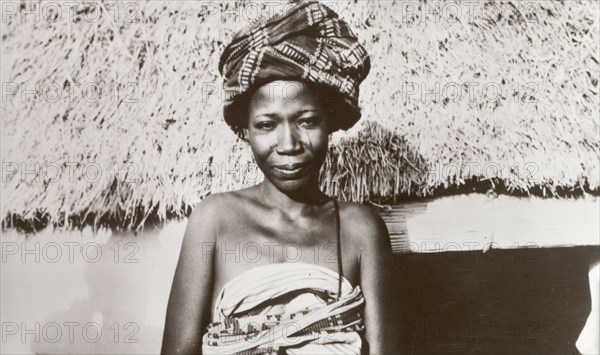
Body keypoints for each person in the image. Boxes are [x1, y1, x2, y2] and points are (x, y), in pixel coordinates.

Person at [161, 1, 398, 354]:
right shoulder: (215, 219)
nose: (288, 144)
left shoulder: (360, 229)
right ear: (244, 130)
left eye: (307, 121)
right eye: (267, 125)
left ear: (330, 122)